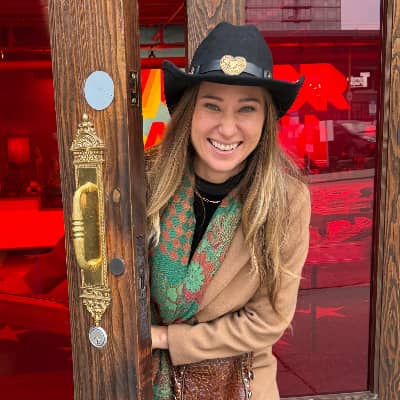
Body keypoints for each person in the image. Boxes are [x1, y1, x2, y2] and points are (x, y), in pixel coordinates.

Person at [147, 22, 311, 400]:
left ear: (265, 119)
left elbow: (267, 321)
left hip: (236, 383)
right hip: (143, 378)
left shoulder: (287, 200)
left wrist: (168, 338)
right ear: (190, 111)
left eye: (246, 109)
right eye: (212, 105)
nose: (226, 127)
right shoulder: (145, 179)